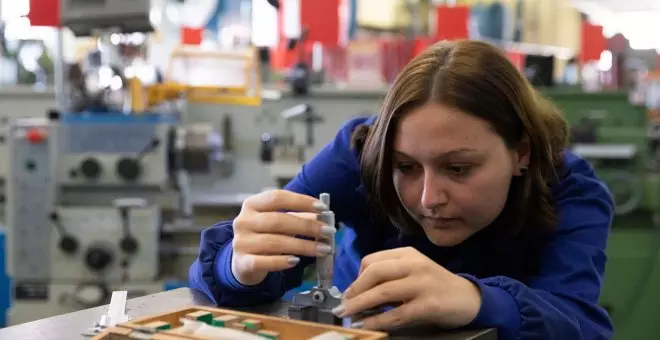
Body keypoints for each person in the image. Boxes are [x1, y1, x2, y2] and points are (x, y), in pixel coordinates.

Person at [189, 40, 614, 340]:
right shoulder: (360, 152)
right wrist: (238, 266)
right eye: (406, 166)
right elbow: (241, 264)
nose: (429, 198)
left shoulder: (569, 190)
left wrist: (476, 300)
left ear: (521, 152)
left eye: (459, 168)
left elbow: (578, 323)